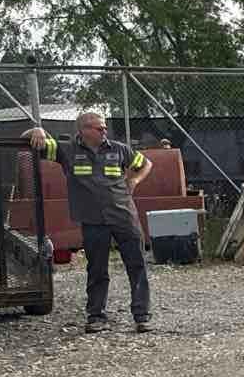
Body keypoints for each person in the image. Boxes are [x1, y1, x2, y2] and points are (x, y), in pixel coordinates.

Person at [24, 113, 153, 334]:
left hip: (124, 216)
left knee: (137, 265)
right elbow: (29, 140)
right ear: (83, 130)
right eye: (99, 128)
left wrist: (134, 179)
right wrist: (36, 130)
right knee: (97, 269)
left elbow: (146, 163)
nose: (104, 131)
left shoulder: (120, 149)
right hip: (93, 221)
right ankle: (96, 316)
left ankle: (142, 316)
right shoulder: (66, 150)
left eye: (104, 128)